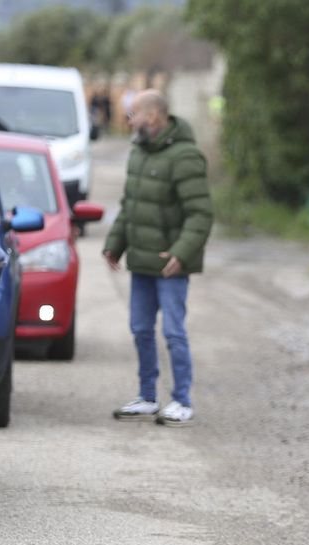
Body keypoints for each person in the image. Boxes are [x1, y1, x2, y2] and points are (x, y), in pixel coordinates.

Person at [103, 90, 212, 427]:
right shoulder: (139, 153)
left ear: (152, 117)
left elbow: (201, 214)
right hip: (142, 262)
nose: (128, 120)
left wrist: (181, 253)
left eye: (132, 113)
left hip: (169, 265)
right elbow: (129, 206)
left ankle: (181, 399)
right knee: (140, 329)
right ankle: (148, 396)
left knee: (174, 332)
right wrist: (114, 243)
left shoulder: (185, 156)